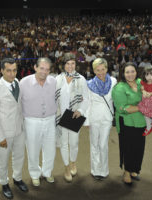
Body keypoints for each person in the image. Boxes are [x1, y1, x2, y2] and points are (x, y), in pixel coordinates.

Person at [0, 58, 28, 199]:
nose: (12, 74)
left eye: (14, 70)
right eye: (8, 71)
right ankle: (4, 183)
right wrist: (0, 137)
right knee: (3, 160)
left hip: (19, 129)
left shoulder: (17, 83)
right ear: (2, 71)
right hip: (4, 132)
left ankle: (17, 178)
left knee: (19, 156)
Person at [19, 57, 57, 187]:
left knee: (50, 148)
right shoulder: (23, 83)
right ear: (35, 67)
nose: (44, 72)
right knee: (33, 149)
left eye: (47, 69)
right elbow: (18, 103)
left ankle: (47, 172)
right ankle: (35, 174)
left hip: (50, 120)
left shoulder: (53, 81)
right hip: (31, 121)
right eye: (41, 68)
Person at [55, 53, 89, 182]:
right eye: (67, 63)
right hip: (62, 116)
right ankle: (66, 167)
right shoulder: (57, 79)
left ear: (76, 64)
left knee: (74, 143)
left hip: (74, 115)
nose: (70, 66)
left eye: (72, 63)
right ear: (63, 65)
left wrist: (80, 110)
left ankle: (73, 161)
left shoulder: (81, 79)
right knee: (63, 143)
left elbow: (86, 98)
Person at [112, 62, 147, 185]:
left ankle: (134, 170)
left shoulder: (140, 83)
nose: (130, 74)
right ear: (123, 73)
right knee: (128, 148)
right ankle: (126, 171)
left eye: (133, 71)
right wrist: (142, 107)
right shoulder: (119, 87)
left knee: (139, 147)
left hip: (140, 121)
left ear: (136, 72)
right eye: (127, 72)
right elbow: (122, 108)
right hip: (126, 122)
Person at [85, 58, 117, 180]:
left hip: (107, 117)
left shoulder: (113, 81)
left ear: (107, 69)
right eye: (97, 70)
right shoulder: (89, 84)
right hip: (94, 117)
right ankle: (95, 170)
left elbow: (116, 98)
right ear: (93, 71)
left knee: (103, 144)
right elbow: (87, 103)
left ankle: (104, 170)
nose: (100, 72)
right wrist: (87, 120)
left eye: (103, 69)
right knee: (94, 144)